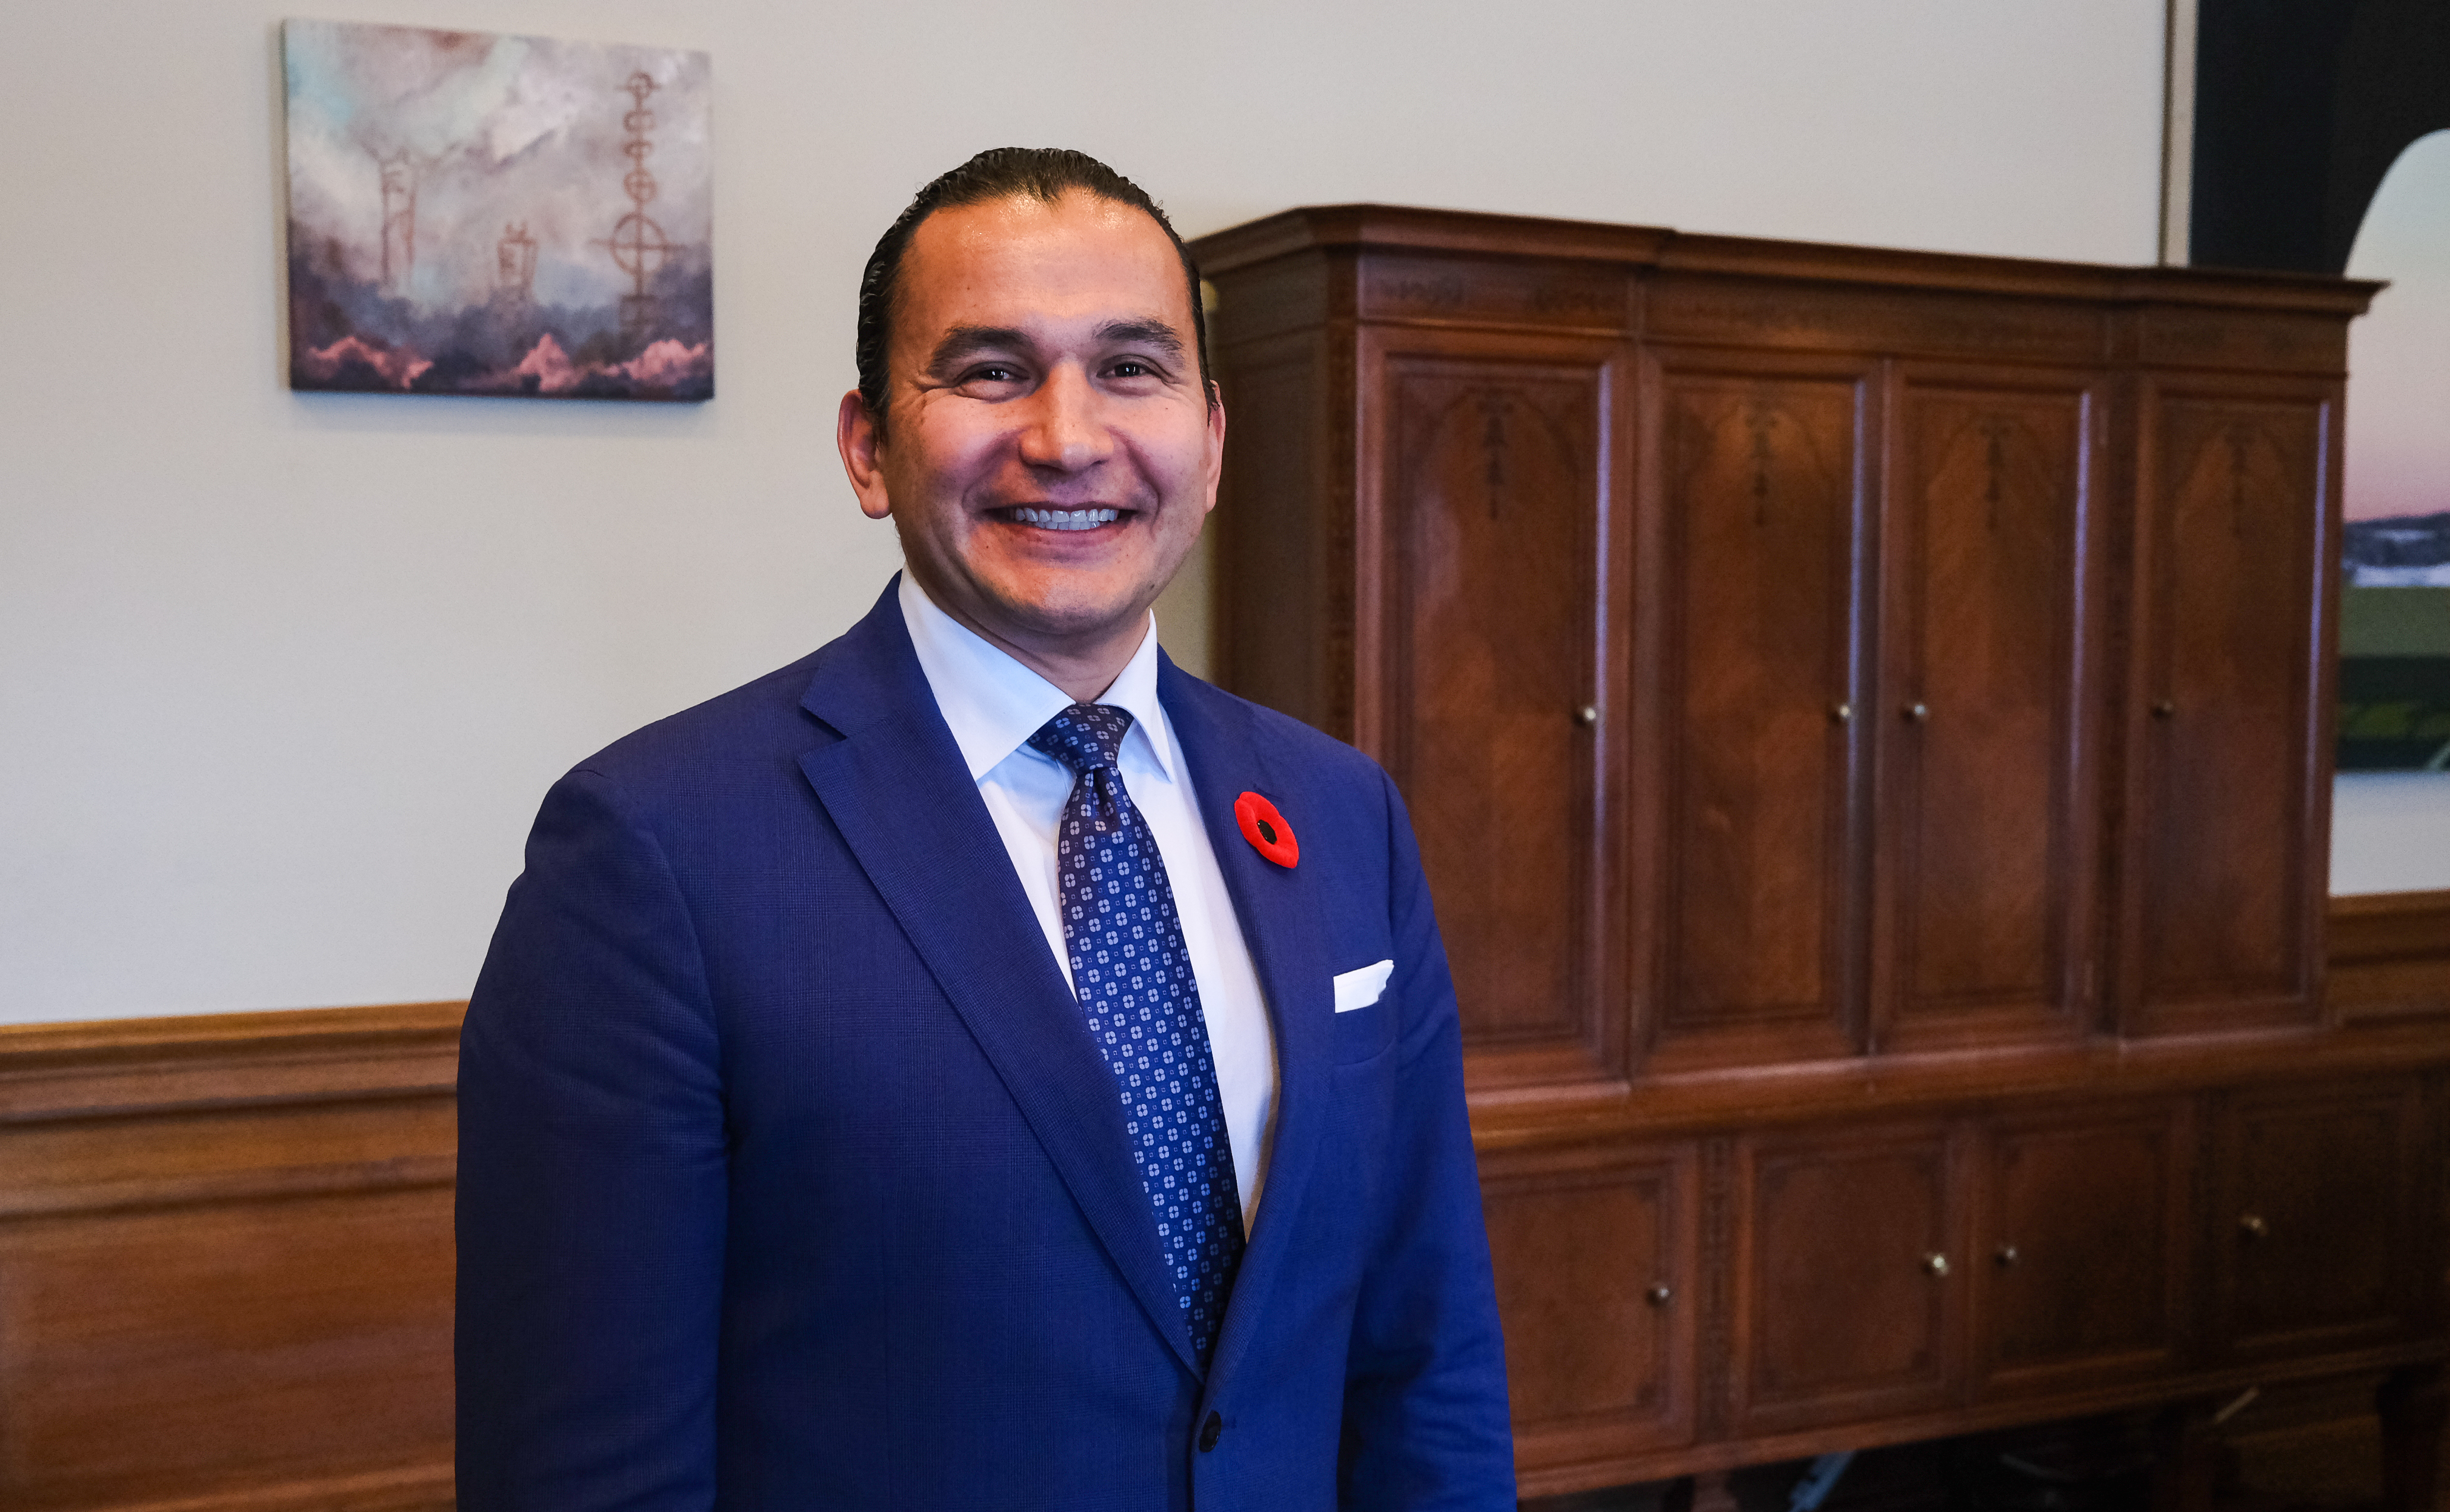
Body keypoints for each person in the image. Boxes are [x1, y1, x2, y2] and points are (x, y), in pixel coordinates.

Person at [454, 147, 1514, 1511]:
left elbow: (1424, 1361)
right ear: (867, 446)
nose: (1069, 436)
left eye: (1132, 368)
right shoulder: (655, 856)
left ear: (1212, 438)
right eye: (993, 371)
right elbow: (584, 1476)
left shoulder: (1338, 815)